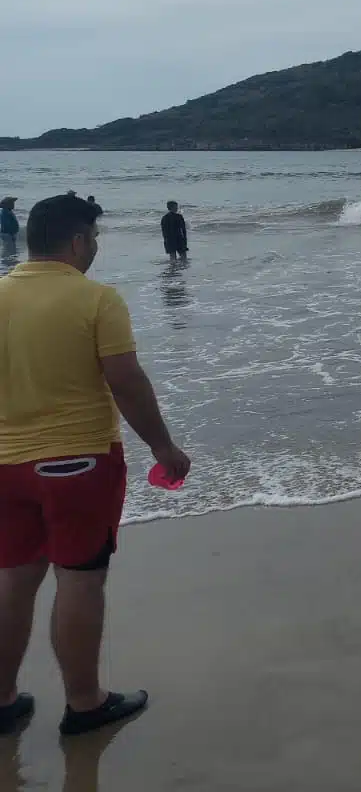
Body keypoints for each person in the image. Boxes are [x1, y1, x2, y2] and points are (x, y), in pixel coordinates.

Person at [0, 195, 191, 738]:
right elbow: (126, 381)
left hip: (4, 465)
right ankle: (85, 703)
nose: (96, 250)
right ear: (78, 240)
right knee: (79, 579)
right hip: (76, 463)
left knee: (13, 580)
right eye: (95, 240)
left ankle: (2, 700)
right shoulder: (95, 299)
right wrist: (163, 448)